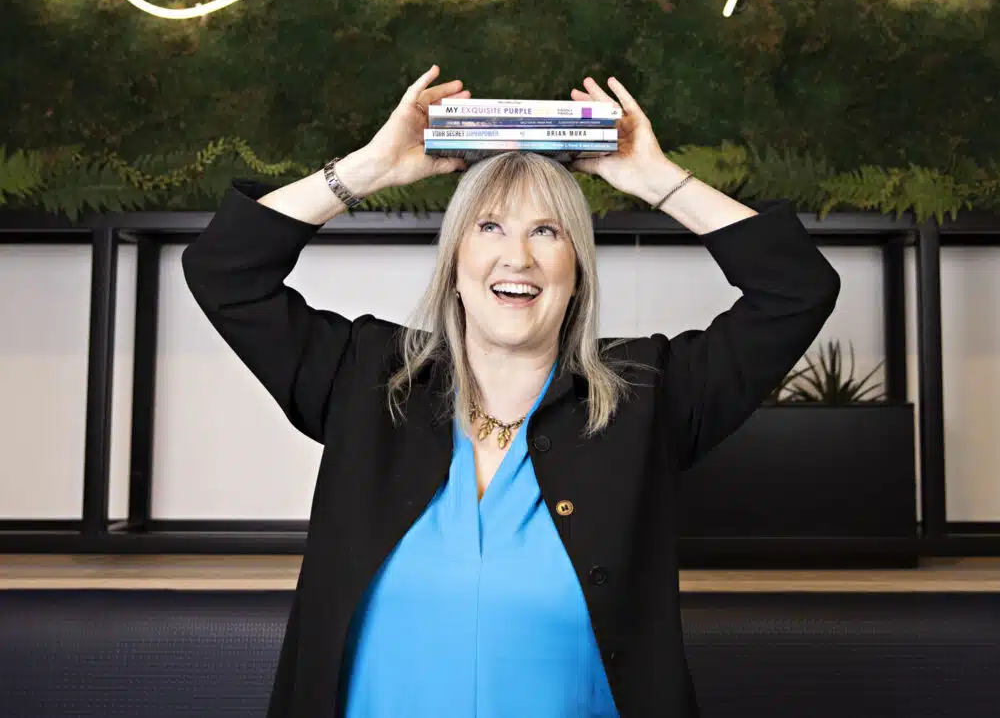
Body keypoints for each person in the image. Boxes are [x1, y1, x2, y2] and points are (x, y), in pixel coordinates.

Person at [181, 65, 841, 718]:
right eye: (490, 227)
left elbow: (797, 291)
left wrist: (656, 180)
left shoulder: (646, 399)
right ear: (456, 266)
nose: (517, 258)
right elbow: (224, 270)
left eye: (546, 231)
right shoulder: (366, 377)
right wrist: (372, 168)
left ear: (576, 273)